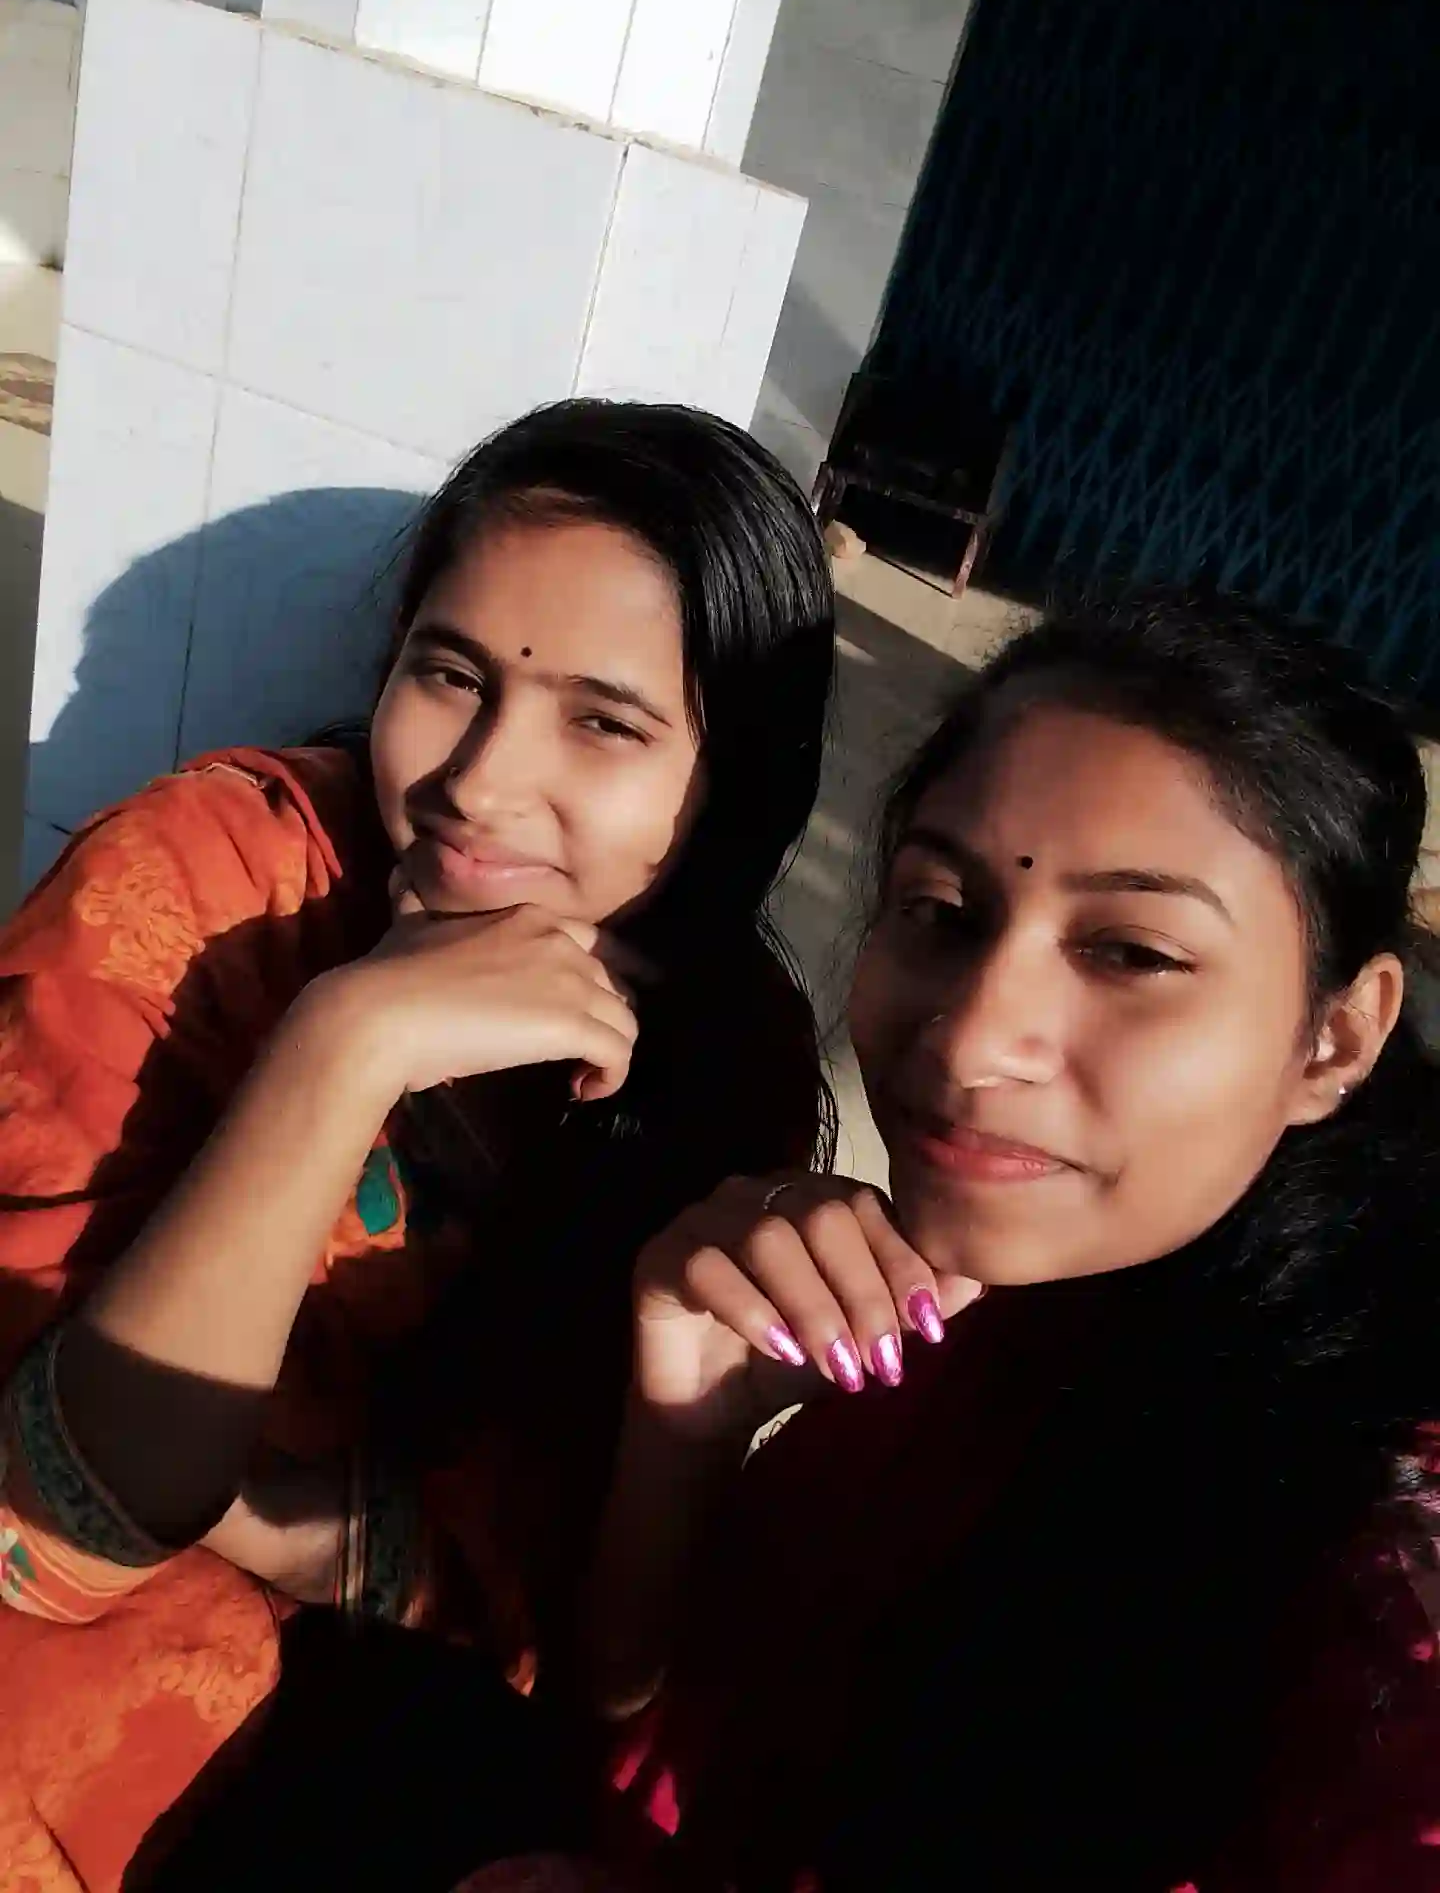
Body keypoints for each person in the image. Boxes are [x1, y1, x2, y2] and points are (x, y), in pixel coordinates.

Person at [0, 399, 836, 1892]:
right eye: (451, 674)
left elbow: (586, 1666)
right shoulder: (211, 887)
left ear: (737, 777)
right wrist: (344, 1046)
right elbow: (53, 1538)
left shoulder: (727, 1058)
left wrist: (662, 1445)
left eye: (604, 720)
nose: (479, 783)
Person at [586, 587, 1440, 1890]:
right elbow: (643, 1752)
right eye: (942, 910)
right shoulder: (979, 1321)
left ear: (1336, 1038)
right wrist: (681, 1438)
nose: (972, 1039)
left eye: (1132, 952)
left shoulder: (1378, 1553)